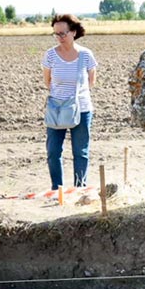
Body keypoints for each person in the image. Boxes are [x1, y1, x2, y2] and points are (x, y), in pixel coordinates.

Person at [42, 14, 97, 190]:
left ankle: (79, 189)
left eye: (63, 33)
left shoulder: (86, 55)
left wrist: (76, 98)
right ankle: (56, 189)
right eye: (56, 34)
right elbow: (47, 81)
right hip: (57, 109)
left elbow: (91, 81)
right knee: (53, 151)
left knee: (80, 152)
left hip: (81, 109)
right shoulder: (50, 55)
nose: (59, 37)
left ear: (73, 32)